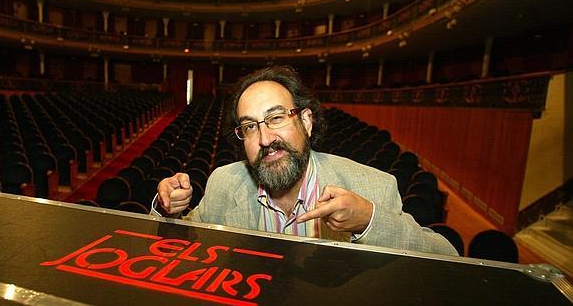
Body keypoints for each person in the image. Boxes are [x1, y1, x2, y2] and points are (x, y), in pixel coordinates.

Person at [151, 65, 457, 256]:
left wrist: (369, 221)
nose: (265, 138)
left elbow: (448, 263)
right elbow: (178, 242)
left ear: (307, 122)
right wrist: (169, 209)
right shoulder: (224, 182)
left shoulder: (374, 188)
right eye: (249, 126)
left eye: (276, 117)